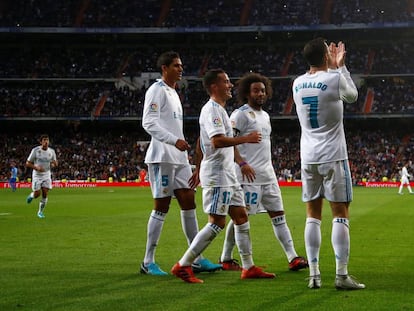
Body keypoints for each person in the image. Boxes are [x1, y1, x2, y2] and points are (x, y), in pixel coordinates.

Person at [171, 68, 275, 283]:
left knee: (241, 217)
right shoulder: (211, 111)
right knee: (216, 222)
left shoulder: (220, 110)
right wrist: (246, 139)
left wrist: (199, 167)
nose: (230, 85)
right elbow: (217, 141)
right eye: (226, 82)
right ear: (214, 87)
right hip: (218, 175)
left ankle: (248, 267)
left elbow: (202, 142)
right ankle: (183, 264)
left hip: (228, 174)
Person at [292, 38, 365, 290]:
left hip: (308, 157)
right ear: (326, 56)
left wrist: (330, 67)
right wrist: (339, 67)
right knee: (340, 214)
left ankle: (313, 275)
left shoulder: (297, 83)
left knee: (312, 215)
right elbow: (353, 96)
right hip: (333, 155)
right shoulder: (333, 78)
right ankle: (341, 276)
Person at [141, 51, 221, 276]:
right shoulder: (156, 90)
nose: (181, 68)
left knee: (188, 201)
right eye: (176, 65)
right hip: (162, 156)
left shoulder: (174, 93)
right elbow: (148, 122)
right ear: (164, 68)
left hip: (179, 158)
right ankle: (148, 261)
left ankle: (196, 258)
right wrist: (173, 140)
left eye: (181, 65)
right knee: (162, 206)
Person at [218, 72, 308, 272]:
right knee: (241, 217)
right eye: (256, 90)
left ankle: (293, 257)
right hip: (247, 176)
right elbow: (229, 143)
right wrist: (241, 163)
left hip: (268, 175)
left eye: (263, 90)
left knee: (279, 216)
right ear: (247, 93)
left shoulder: (265, 116)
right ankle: (225, 257)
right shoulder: (240, 114)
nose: (261, 93)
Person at [26, 134, 58, 218]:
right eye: (44, 140)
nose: (46, 142)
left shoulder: (52, 151)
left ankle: (40, 212)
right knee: (37, 194)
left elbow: (55, 162)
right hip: (37, 175)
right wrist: (36, 167)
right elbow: (28, 163)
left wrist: (54, 164)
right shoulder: (35, 150)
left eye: (47, 140)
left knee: (45, 192)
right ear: (41, 142)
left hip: (47, 174)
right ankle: (32, 195)